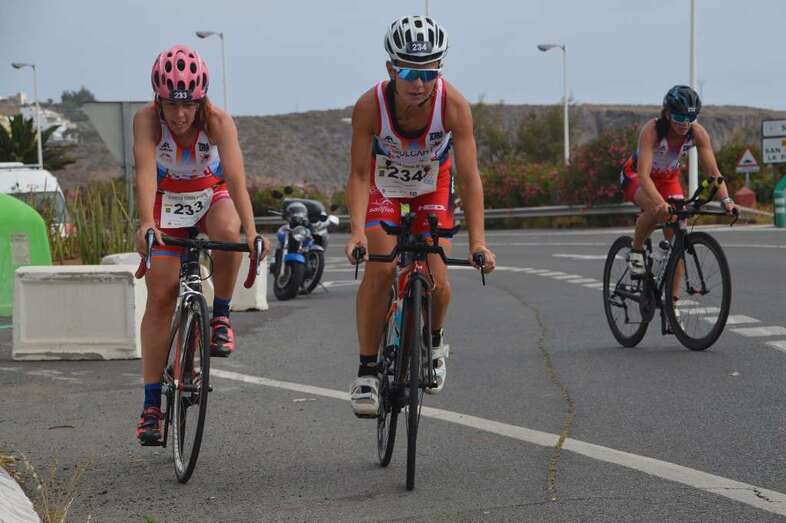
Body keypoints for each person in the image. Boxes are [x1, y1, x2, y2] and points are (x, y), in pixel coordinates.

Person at [344, 16, 497, 417]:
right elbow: (360, 175)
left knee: (438, 276)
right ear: (391, 69)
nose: (418, 83)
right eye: (410, 72)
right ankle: (367, 370)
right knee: (379, 268)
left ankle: (433, 342)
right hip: (385, 184)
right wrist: (357, 231)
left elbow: (469, 178)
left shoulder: (454, 106)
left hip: (433, 183)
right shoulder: (368, 106)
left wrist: (478, 242)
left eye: (429, 72)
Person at [133, 44, 268, 444]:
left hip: (211, 193)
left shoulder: (219, 121)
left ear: (201, 99)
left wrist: (253, 230)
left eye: (188, 105)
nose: (179, 115)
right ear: (158, 98)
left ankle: (221, 316)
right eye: (170, 105)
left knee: (229, 233)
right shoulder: (146, 120)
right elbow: (144, 173)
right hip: (166, 199)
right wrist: (145, 224)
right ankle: (152, 406)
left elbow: (238, 179)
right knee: (160, 294)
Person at [621, 85, 737, 281]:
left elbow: (714, 173)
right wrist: (660, 204)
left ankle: (672, 305)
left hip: (668, 178)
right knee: (656, 210)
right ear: (667, 114)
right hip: (636, 175)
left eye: (691, 119)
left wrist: (726, 200)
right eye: (680, 118)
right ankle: (636, 252)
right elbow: (643, 176)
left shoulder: (698, 133)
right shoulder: (653, 131)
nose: (685, 124)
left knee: (678, 242)